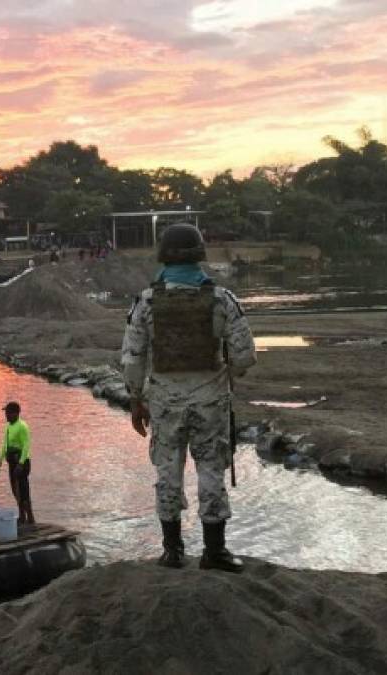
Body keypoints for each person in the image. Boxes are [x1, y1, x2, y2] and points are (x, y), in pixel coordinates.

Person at [121, 223, 256, 573]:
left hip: (165, 402)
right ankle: (215, 551)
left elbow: (133, 358)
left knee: (168, 471)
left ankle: (173, 550)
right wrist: (225, 375)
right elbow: (244, 356)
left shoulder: (146, 302)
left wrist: (136, 400)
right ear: (200, 254)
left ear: (163, 255)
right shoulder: (222, 299)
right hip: (210, 400)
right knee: (211, 470)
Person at [0, 401, 35, 527]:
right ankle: (22, 516)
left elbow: (26, 445)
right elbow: (4, 445)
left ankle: (31, 518)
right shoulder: (8, 427)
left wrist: (21, 463)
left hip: (21, 462)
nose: (6, 415)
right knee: (15, 490)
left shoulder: (22, 426)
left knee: (23, 490)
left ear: (16, 413)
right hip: (11, 462)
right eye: (6, 413)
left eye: (8, 413)